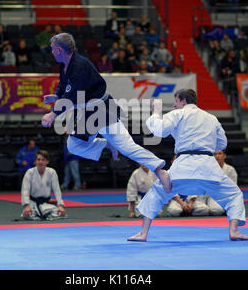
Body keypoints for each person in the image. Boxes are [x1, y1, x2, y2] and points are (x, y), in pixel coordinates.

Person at [41, 33, 170, 191]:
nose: (52, 52)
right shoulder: (65, 64)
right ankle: (107, 144)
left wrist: (53, 114)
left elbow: (72, 96)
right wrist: (56, 95)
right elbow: (64, 85)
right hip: (87, 111)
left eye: (53, 49)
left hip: (101, 109)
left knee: (127, 147)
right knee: (73, 145)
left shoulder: (80, 66)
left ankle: (159, 170)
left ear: (60, 50)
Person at [127, 89, 248, 242]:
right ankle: (234, 231)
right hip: (208, 169)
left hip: (183, 168)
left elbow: (158, 129)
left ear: (183, 101)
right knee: (234, 194)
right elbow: (222, 143)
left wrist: (156, 112)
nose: (174, 105)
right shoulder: (211, 118)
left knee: (157, 193)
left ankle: (143, 233)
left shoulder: (178, 114)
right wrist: (206, 144)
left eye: (176, 102)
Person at [168, 150, 238, 217]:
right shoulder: (168, 173)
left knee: (215, 210)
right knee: (174, 211)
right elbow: (170, 191)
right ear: (172, 162)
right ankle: (186, 210)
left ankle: (190, 209)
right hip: (178, 198)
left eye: (219, 154)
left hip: (218, 195)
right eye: (215, 154)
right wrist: (182, 203)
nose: (217, 156)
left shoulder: (230, 170)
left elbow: (232, 189)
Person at [20, 150, 66, 220]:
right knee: (27, 215)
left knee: (60, 214)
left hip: (46, 203)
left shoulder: (52, 172)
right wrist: (27, 205)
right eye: (38, 159)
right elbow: (25, 190)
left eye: (43, 160)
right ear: (35, 161)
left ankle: (42, 216)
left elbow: (57, 190)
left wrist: (60, 205)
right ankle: (43, 216)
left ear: (47, 161)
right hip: (33, 203)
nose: (40, 162)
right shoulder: (29, 172)